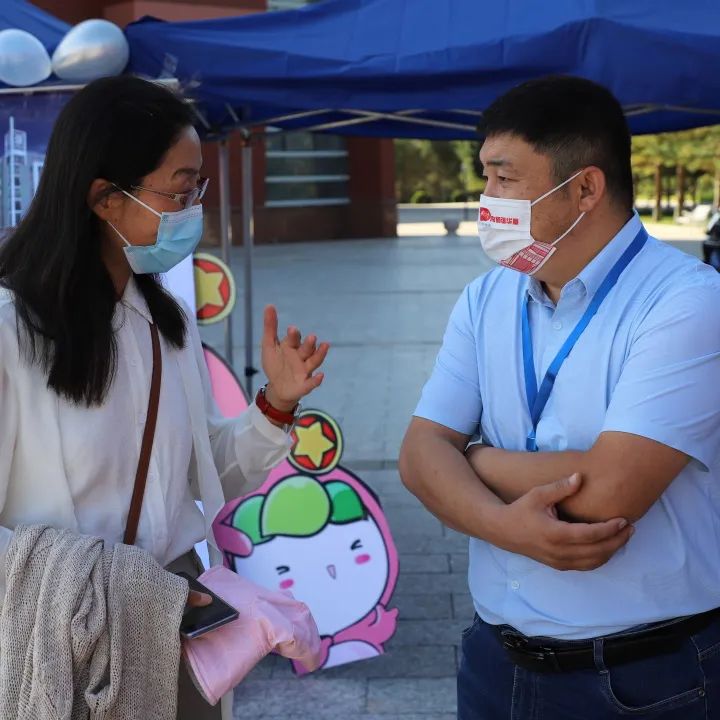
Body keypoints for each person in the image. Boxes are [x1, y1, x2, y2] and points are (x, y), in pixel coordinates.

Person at [0, 75, 329, 719]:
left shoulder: (164, 320)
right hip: (59, 646)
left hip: (177, 623)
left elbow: (200, 475)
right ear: (104, 198)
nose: (192, 209)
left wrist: (276, 407)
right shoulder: (14, 328)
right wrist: (102, 587)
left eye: (197, 188)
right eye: (179, 191)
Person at [399, 75, 720, 719]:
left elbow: (608, 494)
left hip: (646, 677)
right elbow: (417, 455)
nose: (487, 199)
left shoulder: (687, 302)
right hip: (496, 664)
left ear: (585, 189)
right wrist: (505, 527)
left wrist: (474, 458)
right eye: (485, 176)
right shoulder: (486, 297)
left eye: (505, 178)